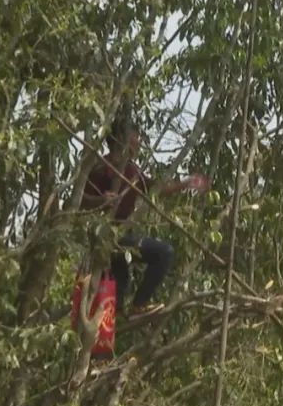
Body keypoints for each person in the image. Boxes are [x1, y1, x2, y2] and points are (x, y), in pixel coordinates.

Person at [81, 118, 209, 317]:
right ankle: (138, 305)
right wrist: (101, 201)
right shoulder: (101, 167)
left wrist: (185, 183)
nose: (139, 142)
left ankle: (120, 318)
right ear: (121, 140)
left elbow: (156, 188)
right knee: (164, 252)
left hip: (123, 235)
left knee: (116, 294)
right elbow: (78, 200)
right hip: (108, 236)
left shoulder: (132, 170)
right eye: (135, 138)